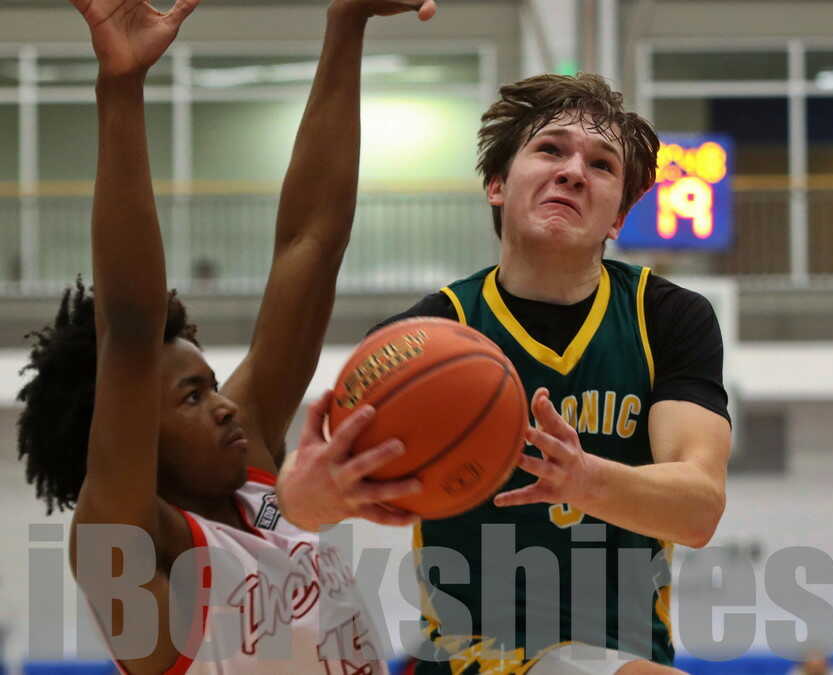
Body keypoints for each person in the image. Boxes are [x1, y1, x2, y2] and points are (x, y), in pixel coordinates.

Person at [15, 0, 437, 672]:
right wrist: (121, 91)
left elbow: (311, 243)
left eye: (211, 386)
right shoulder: (129, 553)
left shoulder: (256, 482)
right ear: (130, 433)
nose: (225, 406)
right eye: (191, 397)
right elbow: (129, 332)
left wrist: (347, 22)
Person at [278, 74, 733, 674]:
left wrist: (583, 480)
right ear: (497, 184)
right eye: (550, 149)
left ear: (618, 218)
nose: (573, 171)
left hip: (628, 655)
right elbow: (302, 502)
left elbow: (700, 509)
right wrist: (312, 493)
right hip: (472, 660)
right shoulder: (428, 335)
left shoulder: (667, 317)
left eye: (601, 165)